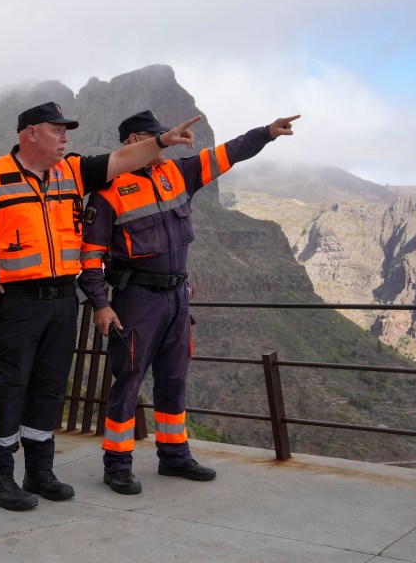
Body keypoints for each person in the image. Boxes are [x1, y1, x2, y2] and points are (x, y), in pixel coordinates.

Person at [0, 101, 200, 511]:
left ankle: (39, 472)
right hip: (16, 302)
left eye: (67, 132)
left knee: (49, 387)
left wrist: (163, 141)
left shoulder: (74, 170)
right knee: (9, 389)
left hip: (64, 298)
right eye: (57, 131)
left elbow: (123, 158)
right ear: (30, 134)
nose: (65, 139)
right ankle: (0, 478)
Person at [77, 109, 299, 495]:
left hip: (178, 298)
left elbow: (229, 153)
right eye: (159, 137)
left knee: (174, 378)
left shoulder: (177, 174)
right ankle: (117, 464)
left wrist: (266, 133)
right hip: (136, 301)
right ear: (134, 142)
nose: (169, 143)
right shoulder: (107, 192)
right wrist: (101, 304)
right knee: (128, 379)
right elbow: (89, 258)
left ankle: (174, 457)